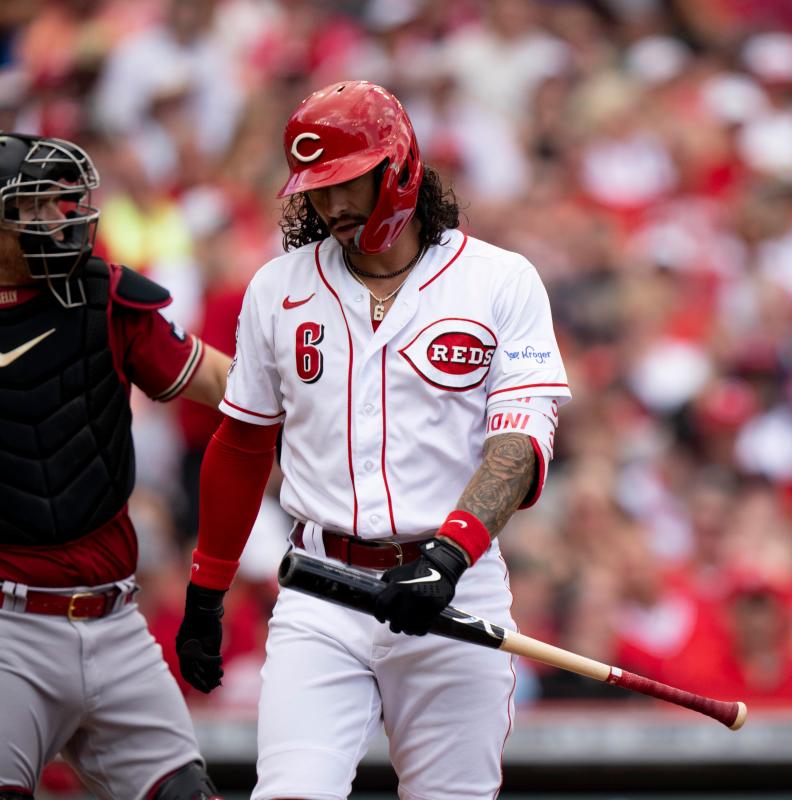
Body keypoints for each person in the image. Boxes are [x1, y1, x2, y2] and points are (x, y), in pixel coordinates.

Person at [176, 81, 570, 799]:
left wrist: (449, 557)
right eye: (316, 190)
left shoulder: (500, 280)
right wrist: (208, 588)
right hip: (324, 587)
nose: (331, 207)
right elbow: (242, 443)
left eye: (346, 183)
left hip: (457, 588)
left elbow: (518, 446)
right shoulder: (277, 288)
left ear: (399, 168)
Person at [0, 132, 230, 799]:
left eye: (61, 204)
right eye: (34, 208)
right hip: (9, 627)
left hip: (116, 620)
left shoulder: (106, 296)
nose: (59, 221)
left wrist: (330, 410)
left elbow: (223, 382)